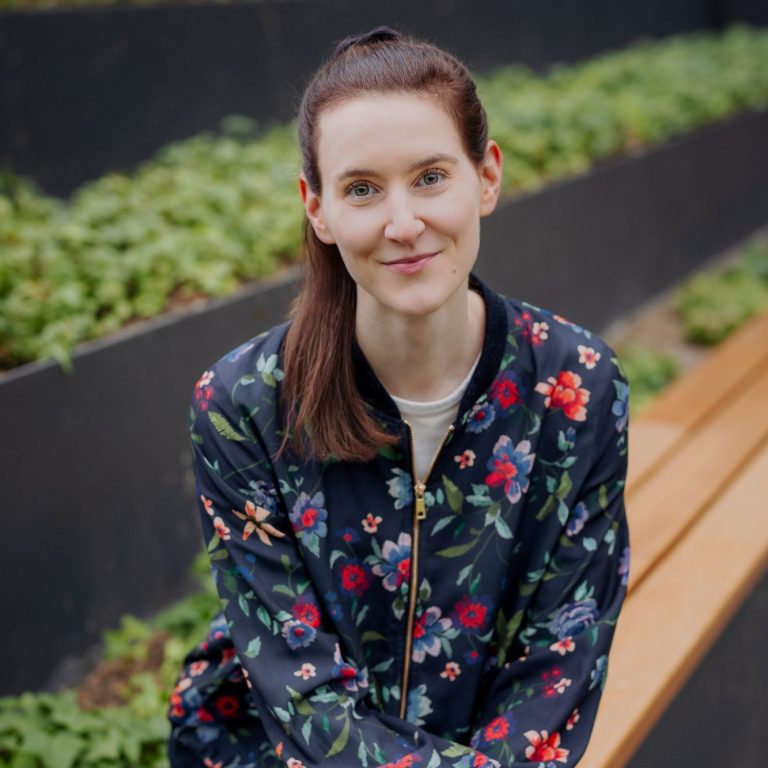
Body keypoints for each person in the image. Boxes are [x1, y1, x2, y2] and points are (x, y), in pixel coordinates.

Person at [167, 26, 630, 768]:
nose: (403, 224)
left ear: (487, 175)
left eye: (431, 177)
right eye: (361, 189)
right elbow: (301, 692)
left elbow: (561, 652)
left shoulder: (577, 384)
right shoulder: (242, 405)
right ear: (316, 208)